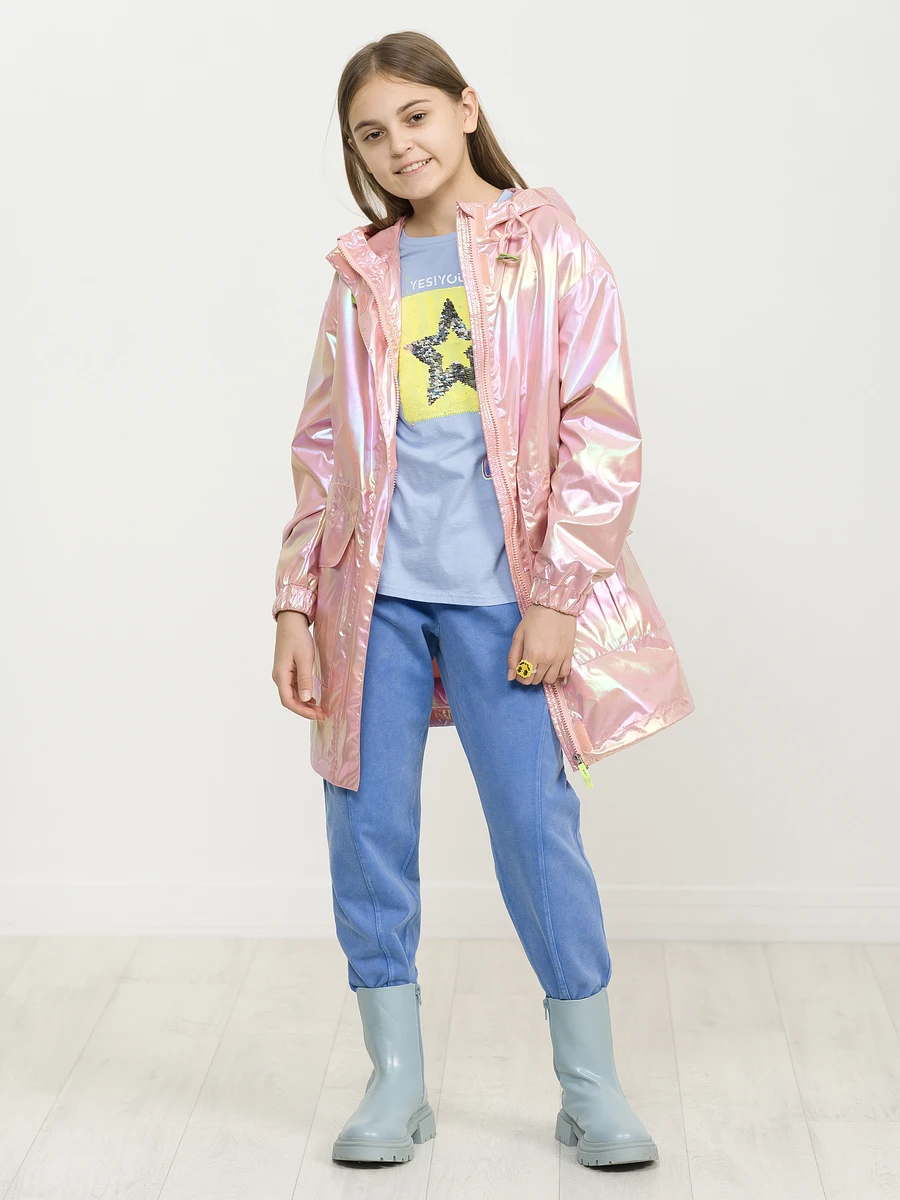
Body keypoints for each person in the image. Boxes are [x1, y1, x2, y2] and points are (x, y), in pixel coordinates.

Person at [271, 30, 694, 1170]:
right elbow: (321, 449)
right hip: (374, 602)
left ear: (465, 109)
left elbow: (601, 428)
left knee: (535, 830)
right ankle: (394, 1083)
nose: (397, 146)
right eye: (370, 134)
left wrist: (556, 592)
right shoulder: (361, 274)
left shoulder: (547, 246)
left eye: (414, 116)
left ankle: (591, 1087)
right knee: (367, 831)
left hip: (504, 599)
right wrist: (296, 607)